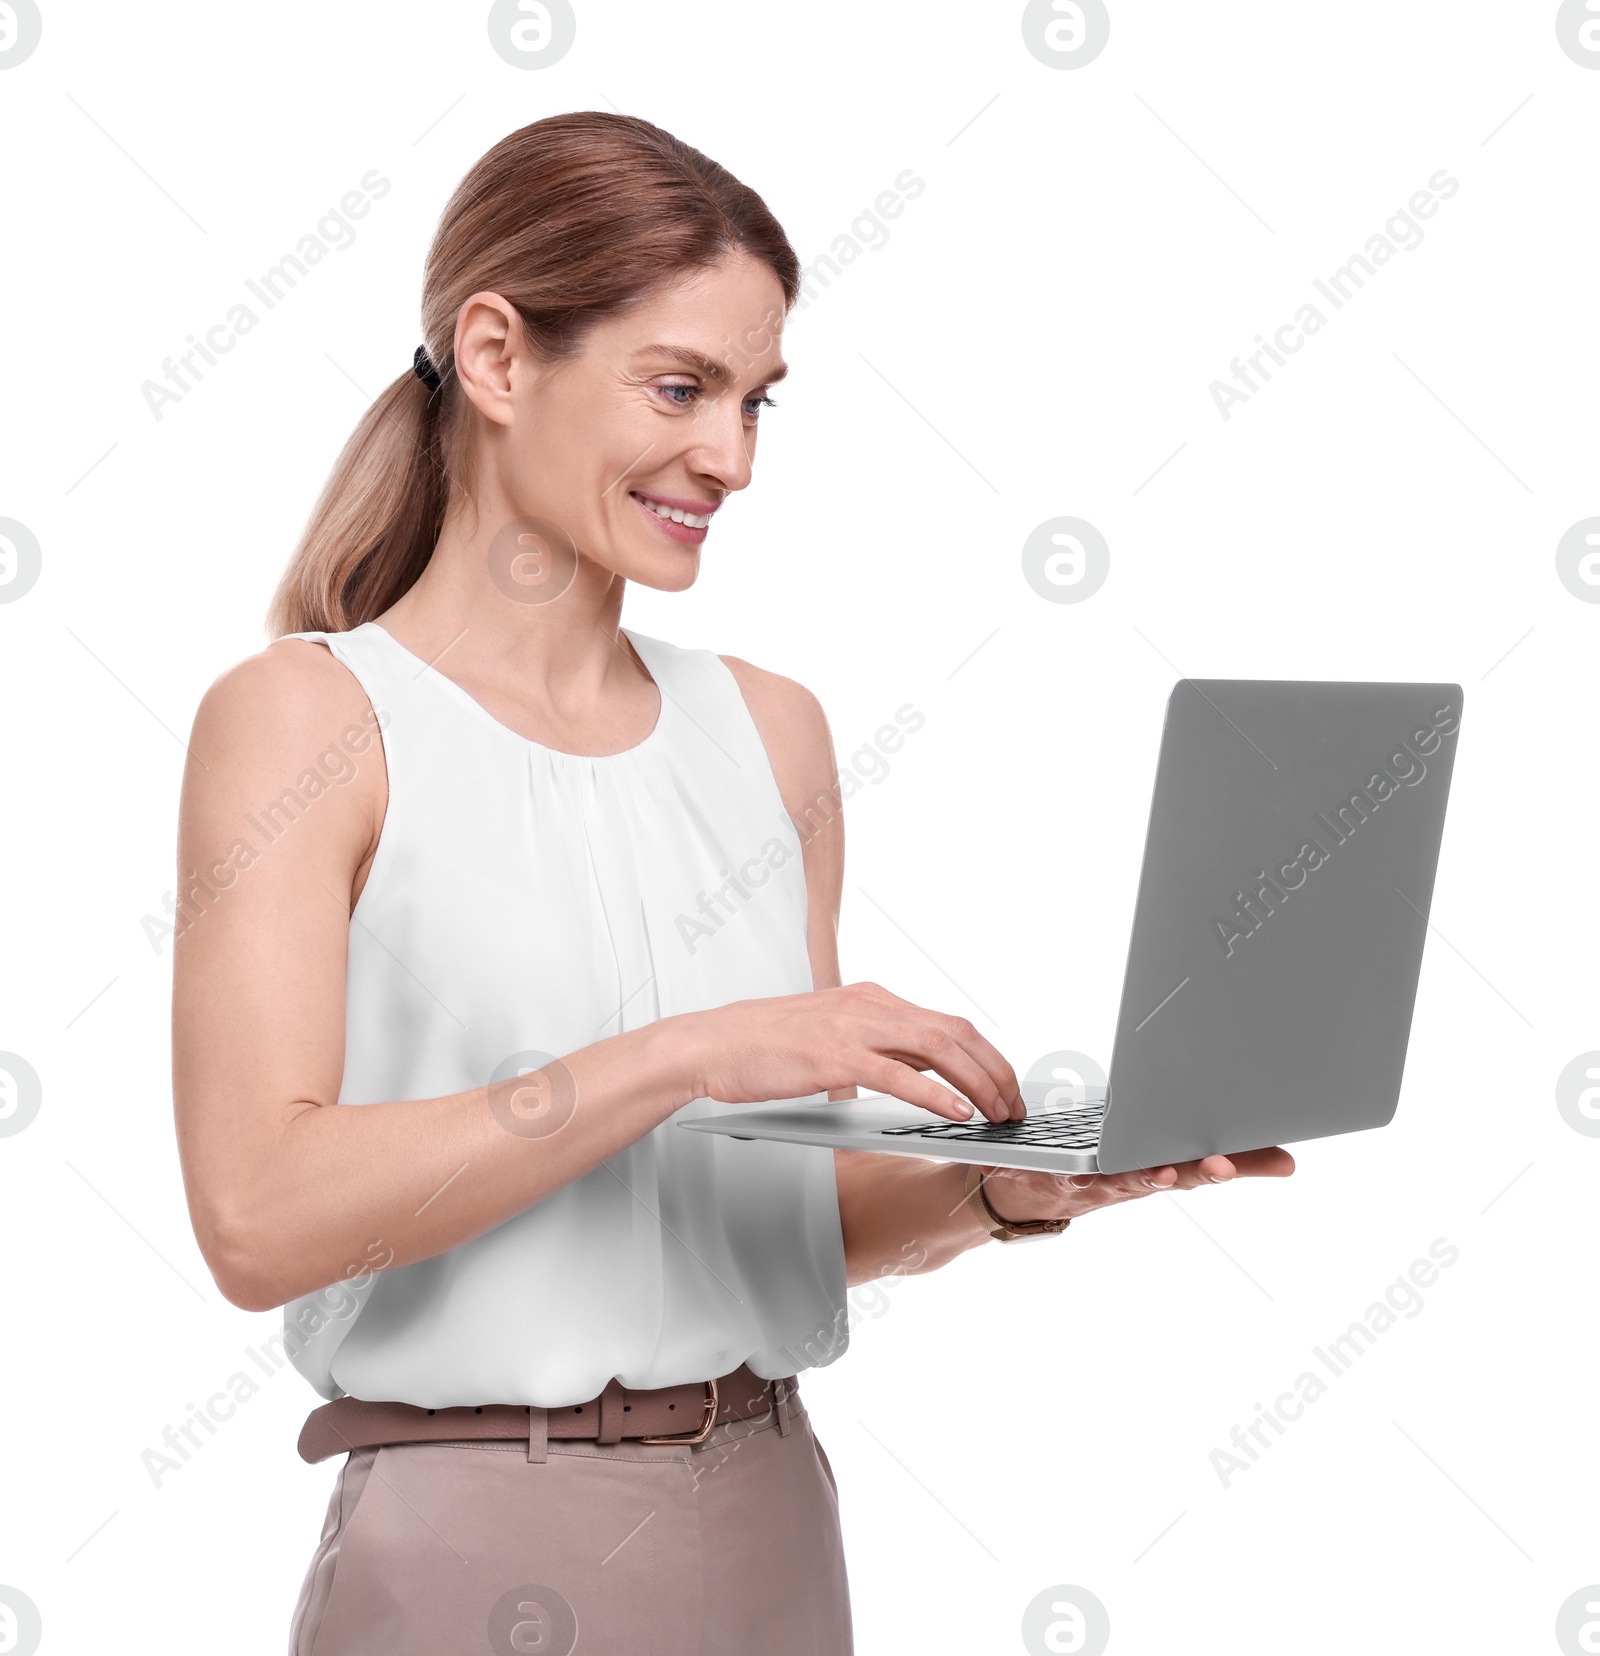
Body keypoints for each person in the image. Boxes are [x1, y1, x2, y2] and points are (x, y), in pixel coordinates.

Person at [170, 111, 1293, 1656]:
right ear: (495, 359)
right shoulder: (307, 721)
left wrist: (997, 1190)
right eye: (682, 387)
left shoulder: (771, 733)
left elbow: (770, 1212)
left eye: (758, 403)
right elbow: (257, 1217)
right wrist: (692, 1053)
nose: (733, 458)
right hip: (476, 1535)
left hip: (770, 1509)